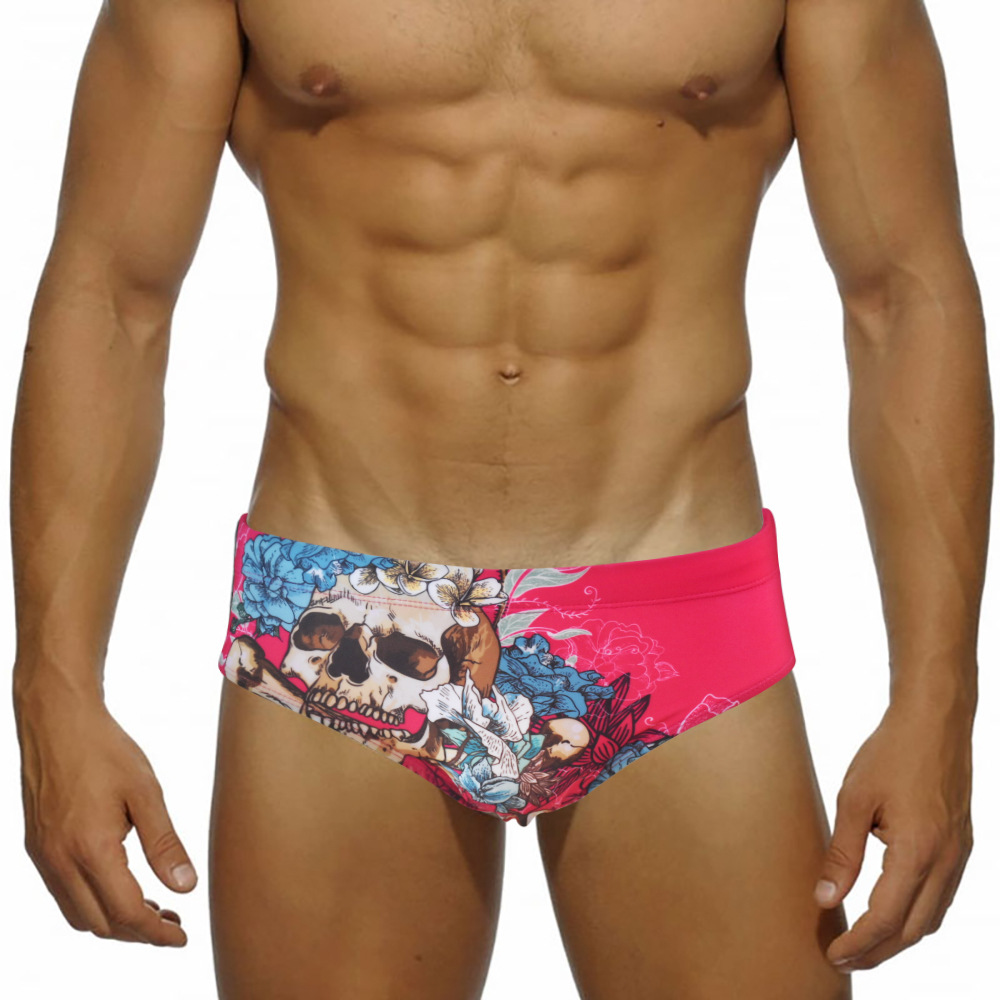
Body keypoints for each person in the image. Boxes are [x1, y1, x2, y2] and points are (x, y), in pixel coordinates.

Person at [10, 1, 989, 997]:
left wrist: (938, 702)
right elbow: (111, 293)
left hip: (666, 597)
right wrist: (53, 687)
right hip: (346, 609)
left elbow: (903, 295)